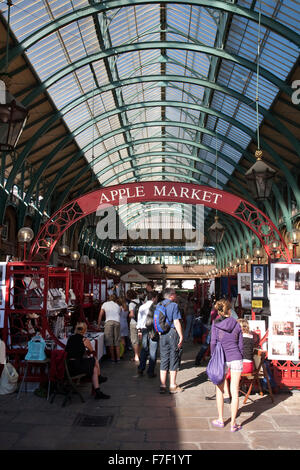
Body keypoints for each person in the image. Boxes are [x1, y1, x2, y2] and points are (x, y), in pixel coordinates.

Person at [210, 299, 243, 432]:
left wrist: (213, 356)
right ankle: (233, 423)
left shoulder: (215, 324)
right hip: (236, 358)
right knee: (235, 391)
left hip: (221, 359)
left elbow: (213, 342)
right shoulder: (236, 324)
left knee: (220, 389)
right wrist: (240, 356)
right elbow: (240, 344)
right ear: (230, 310)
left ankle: (220, 419)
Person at [65, 322, 110, 400]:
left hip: (68, 366)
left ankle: (97, 391)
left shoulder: (70, 338)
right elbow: (92, 351)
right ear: (85, 330)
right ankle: (99, 378)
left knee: (94, 368)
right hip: (76, 366)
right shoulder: (84, 340)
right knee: (94, 360)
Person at [159, 288, 184, 394]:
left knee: (164, 358)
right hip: (172, 333)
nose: (176, 295)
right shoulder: (174, 305)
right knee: (174, 357)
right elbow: (176, 321)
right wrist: (181, 336)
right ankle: (172, 385)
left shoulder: (159, 304)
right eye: (175, 294)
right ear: (171, 296)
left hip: (163, 334)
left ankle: (162, 385)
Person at [137, 291, 159, 378]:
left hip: (144, 330)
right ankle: (150, 371)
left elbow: (139, 319)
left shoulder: (142, 306)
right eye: (156, 298)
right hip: (153, 330)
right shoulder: (156, 307)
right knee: (153, 351)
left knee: (144, 349)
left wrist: (139, 330)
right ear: (154, 298)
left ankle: (141, 368)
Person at [98, 294, 121, 363]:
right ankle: (118, 358)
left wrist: (98, 325)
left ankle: (113, 359)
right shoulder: (117, 305)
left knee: (110, 341)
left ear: (109, 298)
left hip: (109, 322)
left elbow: (100, 314)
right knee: (116, 341)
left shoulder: (105, 304)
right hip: (117, 322)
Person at [126, 289, 141, 363]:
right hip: (141, 323)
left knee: (134, 340)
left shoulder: (131, 304)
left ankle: (136, 356)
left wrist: (128, 315)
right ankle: (139, 354)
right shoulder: (140, 301)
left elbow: (132, 314)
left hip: (134, 323)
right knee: (140, 340)